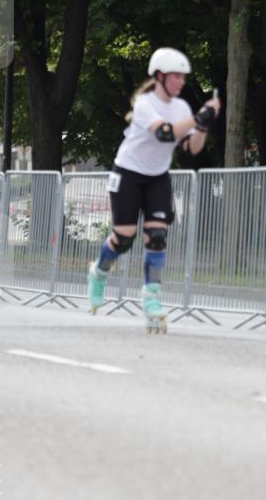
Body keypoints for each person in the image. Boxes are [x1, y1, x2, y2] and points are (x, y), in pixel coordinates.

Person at [87, 47, 221, 331]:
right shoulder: (145, 104)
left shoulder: (181, 108)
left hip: (157, 176)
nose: (181, 82)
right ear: (160, 76)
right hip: (128, 173)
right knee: (124, 239)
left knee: (157, 237)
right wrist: (199, 117)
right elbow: (165, 133)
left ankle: (151, 299)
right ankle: (99, 272)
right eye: (176, 76)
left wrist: (204, 126)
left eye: (183, 77)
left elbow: (191, 147)